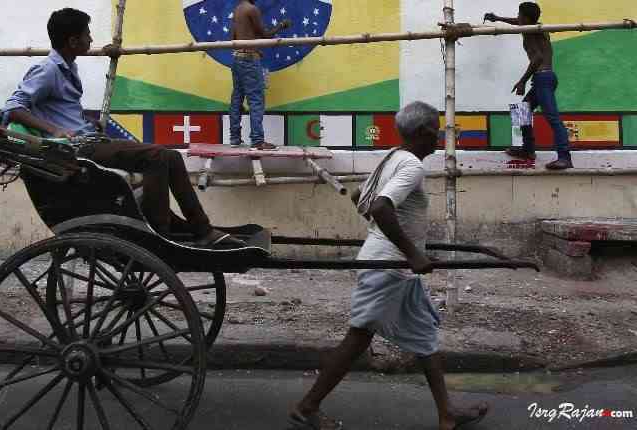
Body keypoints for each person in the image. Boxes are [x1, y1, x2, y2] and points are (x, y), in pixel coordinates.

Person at [287, 102, 490, 430]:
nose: (438, 136)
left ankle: (447, 413)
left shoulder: (392, 156)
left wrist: (405, 248)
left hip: (395, 267)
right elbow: (380, 208)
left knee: (424, 335)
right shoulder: (411, 167)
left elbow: (359, 197)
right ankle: (307, 406)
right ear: (424, 133)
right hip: (388, 266)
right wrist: (412, 253)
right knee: (359, 335)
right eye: (436, 130)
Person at [4, 8, 243, 248]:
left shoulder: (67, 66)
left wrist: (87, 122)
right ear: (72, 41)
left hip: (89, 141)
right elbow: (14, 107)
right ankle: (160, 232)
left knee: (170, 156)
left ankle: (200, 228)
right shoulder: (48, 69)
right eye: (87, 34)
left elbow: (60, 109)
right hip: (78, 151)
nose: (91, 39)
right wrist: (54, 130)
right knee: (156, 157)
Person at [485, 3, 574, 170]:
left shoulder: (530, 33)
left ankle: (564, 157)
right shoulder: (537, 26)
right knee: (522, 110)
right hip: (546, 77)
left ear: (525, 18)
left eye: (519, 15)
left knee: (552, 118)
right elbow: (516, 22)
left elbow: (537, 58)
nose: (517, 17)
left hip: (543, 78)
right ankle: (528, 149)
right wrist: (498, 18)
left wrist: (522, 81)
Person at [229, 0, 290, 150]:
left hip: (237, 58)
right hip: (250, 60)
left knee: (237, 97)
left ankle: (234, 138)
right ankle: (257, 141)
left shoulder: (237, 10)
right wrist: (281, 26)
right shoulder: (252, 9)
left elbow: (233, 36)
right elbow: (264, 34)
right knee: (256, 100)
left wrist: (250, 48)